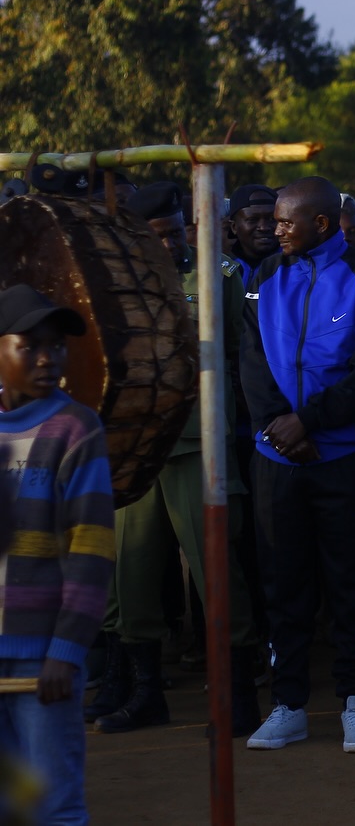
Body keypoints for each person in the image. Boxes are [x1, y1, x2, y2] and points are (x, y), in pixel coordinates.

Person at [92, 183, 262, 737]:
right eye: (154, 236)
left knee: (216, 569)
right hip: (135, 446)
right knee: (132, 578)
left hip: (197, 444)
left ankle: (237, 695)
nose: (167, 245)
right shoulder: (116, 282)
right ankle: (143, 693)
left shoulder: (218, 277)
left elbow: (235, 350)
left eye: (173, 232)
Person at [240, 176, 355, 754]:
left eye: (285, 221)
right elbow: (251, 364)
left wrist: (308, 423)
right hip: (276, 461)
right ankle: (289, 706)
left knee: (353, 586)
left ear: (323, 224)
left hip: (346, 460)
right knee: (284, 586)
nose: (274, 229)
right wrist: (283, 429)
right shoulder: (262, 277)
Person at [0, 284, 114, 825]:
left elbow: (90, 552)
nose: (48, 358)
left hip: (42, 657)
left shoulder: (75, 429)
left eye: (57, 345)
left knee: (53, 806)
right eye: (30, 345)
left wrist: (66, 652)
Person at [227, 184, 279, 287]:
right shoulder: (220, 268)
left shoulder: (296, 267)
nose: (264, 227)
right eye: (252, 220)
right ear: (234, 227)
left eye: (272, 219)